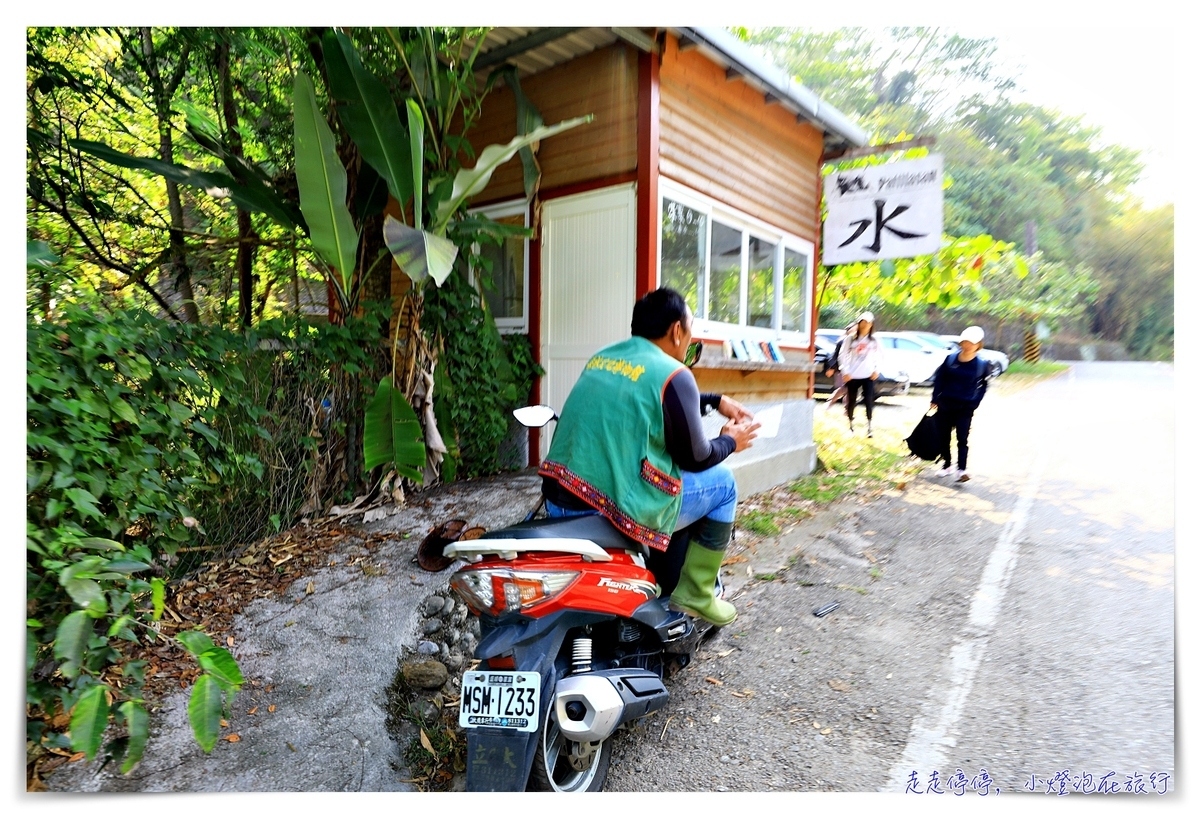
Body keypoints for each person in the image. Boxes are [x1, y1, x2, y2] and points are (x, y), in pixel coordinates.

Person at [538, 288, 760, 625]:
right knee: (724, 485)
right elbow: (696, 458)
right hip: (609, 513)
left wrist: (713, 400)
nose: (689, 343)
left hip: (558, 502)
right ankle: (697, 594)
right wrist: (730, 440)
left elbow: (641, 396)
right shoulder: (675, 372)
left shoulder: (604, 358)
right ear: (676, 331)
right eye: (690, 333)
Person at [930, 325, 990, 482]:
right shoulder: (950, 359)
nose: (968, 345)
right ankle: (946, 465)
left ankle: (962, 469)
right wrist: (935, 399)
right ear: (961, 342)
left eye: (972, 342)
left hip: (965, 407)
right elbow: (939, 380)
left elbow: (983, 385)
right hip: (946, 404)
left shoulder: (981, 364)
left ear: (978, 345)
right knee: (944, 436)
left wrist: (975, 402)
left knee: (962, 438)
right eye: (965, 341)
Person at [837, 311, 882, 437]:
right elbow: (842, 355)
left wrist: (876, 369)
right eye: (862, 322)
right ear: (858, 323)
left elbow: (881, 356)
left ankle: (869, 427)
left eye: (867, 323)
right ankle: (850, 425)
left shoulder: (874, 340)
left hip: (868, 375)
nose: (864, 325)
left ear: (871, 324)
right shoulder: (850, 339)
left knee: (868, 400)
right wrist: (845, 371)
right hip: (853, 375)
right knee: (851, 401)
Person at [824, 323, 855, 411]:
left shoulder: (856, 340)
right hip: (842, 369)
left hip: (852, 369)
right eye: (853, 329)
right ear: (848, 330)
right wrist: (832, 368)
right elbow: (836, 356)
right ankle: (830, 403)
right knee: (844, 389)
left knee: (850, 390)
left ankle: (847, 410)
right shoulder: (842, 341)